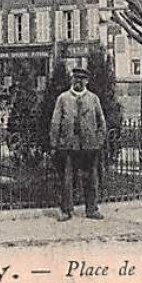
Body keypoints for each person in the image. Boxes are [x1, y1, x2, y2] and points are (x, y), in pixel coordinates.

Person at [49, 66, 108, 221]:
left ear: (87, 81)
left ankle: (92, 209)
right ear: (72, 80)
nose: (78, 82)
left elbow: (102, 123)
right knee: (67, 179)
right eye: (76, 79)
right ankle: (66, 210)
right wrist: (54, 144)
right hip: (68, 145)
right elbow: (55, 123)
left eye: (82, 79)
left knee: (91, 178)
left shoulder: (93, 99)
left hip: (89, 146)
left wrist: (98, 141)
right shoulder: (63, 98)